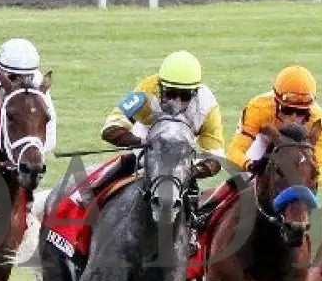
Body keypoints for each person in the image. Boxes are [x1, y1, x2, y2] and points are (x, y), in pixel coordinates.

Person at [195, 65, 322, 220]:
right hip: (263, 142)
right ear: (276, 101)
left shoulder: (319, 119)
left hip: (296, 151)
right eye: (287, 110)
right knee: (244, 178)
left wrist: (303, 181)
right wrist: (251, 165)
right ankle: (206, 212)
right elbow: (234, 152)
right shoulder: (259, 108)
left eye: (302, 113)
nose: (294, 118)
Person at [93, 50, 224, 196]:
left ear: (195, 92)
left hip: (183, 147)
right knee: (133, 160)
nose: (177, 103)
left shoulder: (207, 106)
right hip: (147, 135)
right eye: (171, 93)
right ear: (159, 87)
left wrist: (190, 172)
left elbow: (216, 159)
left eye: (185, 96)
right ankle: (90, 193)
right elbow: (110, 128)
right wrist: (146, 142)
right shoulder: (146, 91)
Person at [0, 37, 57, 155]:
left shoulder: (38, 82)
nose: (20, 83)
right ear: (0, 72)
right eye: (13, 77)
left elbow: (49, 130)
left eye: (27, 77)